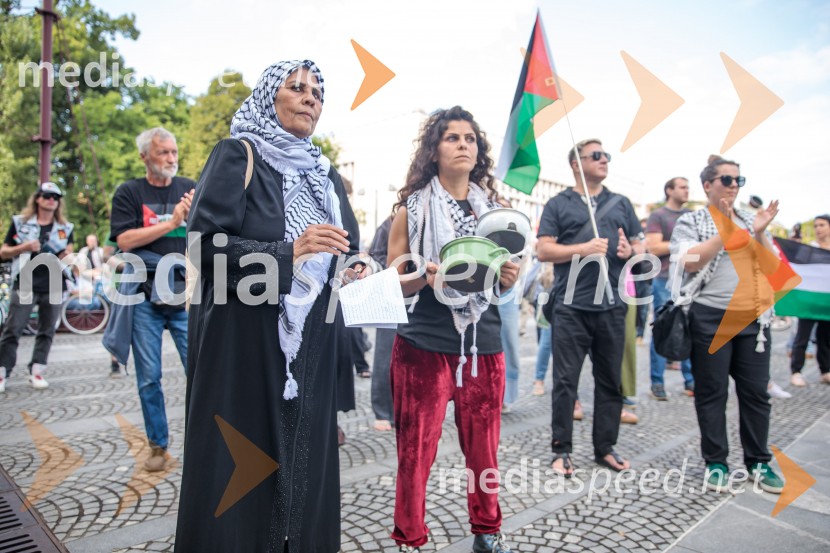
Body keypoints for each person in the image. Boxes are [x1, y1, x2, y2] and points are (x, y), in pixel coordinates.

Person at [175, 60, 362, 553]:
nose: (310, 98)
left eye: (318, 93)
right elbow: (201, 246)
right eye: (297, 87)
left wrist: (361, 271)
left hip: (311, 350)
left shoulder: (326, 177)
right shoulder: (238, 155)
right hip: (242, 345)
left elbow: (349, 253)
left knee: (303, 469)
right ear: (268, 97)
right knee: (237, 470)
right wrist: (288, 252)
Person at [387, 106, 519, 553]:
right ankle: (410, 537)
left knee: (484, 452)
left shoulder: (497, 214)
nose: (463, 144)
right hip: (423, 344)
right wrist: (423, 275)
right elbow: (392, 278)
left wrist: (508, 277)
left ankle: (488, 531)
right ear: (434, 150)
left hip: (483, 343)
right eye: (452, 138)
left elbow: (505, 278)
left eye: (470, 138)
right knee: (415, 451)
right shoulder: (411, 209)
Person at [670, 154, 784, 494]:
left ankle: (758, 461)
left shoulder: (752, 219)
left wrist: (759, 233)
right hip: (709, 316)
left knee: (756, 393)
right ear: (708, 185)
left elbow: (773, 268)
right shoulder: (692, 220)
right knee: (712, 392)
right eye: (727, 179)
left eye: (739, 180)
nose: (734, 185)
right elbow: (688, 262)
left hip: (753, 318)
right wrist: (725, 232)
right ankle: (716, 463)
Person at [536, 138, 642, 477]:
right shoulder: (558, 204)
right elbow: (543, 250)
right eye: (595, 155)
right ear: (576, 164)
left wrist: (630, 252)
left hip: (612, 305)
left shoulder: (621, 203)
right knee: (565, 381)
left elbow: (641, 248)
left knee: (610, 380)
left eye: (605, 155)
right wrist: (582, 249)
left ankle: (605, 448)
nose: (604, 159)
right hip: (570, 306)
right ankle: (561, 449)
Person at [104, 127, 195, 471]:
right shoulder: (129, 192)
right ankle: (158, 446)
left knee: (200, 371)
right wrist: (172, 222)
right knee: (149, 377)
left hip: (184, 295)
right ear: (145, 157)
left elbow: (212, 233)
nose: (171, 159)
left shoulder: (190, 187)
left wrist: (196, 218)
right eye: (163, 153)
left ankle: (208, 442)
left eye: (174, 152)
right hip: (144, 296)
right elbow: (124, 240)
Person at [0, 182, 74, 393]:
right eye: (47, 196)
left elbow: (69, 254)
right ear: (38, 199)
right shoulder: (20, 223)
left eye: (56, 197)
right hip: (25, 280)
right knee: (13, 328)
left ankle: (37, 370)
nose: (51, 200)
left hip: (54, 282)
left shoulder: (65, 228)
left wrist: (68, 257)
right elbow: (3, 252)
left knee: (47, 330)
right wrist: (24, 247)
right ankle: (3, 372)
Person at [645, 177, 695, 400]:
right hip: (664, 279)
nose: (687, 191)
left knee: (690, 329)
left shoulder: (691, 216)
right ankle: (657, 382)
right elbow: (654, 247)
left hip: (689, 279)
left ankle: (691, 380)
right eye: (682, 187)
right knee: (663, 328)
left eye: (687, 187)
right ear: (669, 190)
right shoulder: (658, 215)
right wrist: (683, 244)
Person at [790, 214, 830, 386]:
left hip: (826, 302)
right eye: (816, 226)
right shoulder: (809, 248)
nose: (818, 229)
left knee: (825, 338)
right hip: (809, 300)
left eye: (822, 225)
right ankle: (796, 371)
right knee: (802, 337)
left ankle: (825, 370)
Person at [369, 215, 396, 431]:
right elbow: (374, 256)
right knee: (385, 356)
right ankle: (382, 411)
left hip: (418, 300)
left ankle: (400, 410)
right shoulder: (389, 223)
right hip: (391, 296)